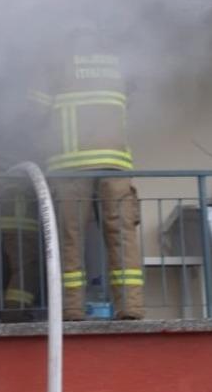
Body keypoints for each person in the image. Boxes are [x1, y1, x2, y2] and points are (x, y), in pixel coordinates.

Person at [46, 25, 143, 321]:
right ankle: (131, 307)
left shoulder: (56, 61)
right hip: (116, 163)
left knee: (70, 236)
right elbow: (131, 98)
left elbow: (33, 109)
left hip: (71, 165)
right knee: (122, 234)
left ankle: (72, 308)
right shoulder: (121, 62)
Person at [0, 80, 51, 323]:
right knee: (26, 271)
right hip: (17, 225)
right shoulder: (24, 149)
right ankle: (14, 315)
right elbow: (33, 182)